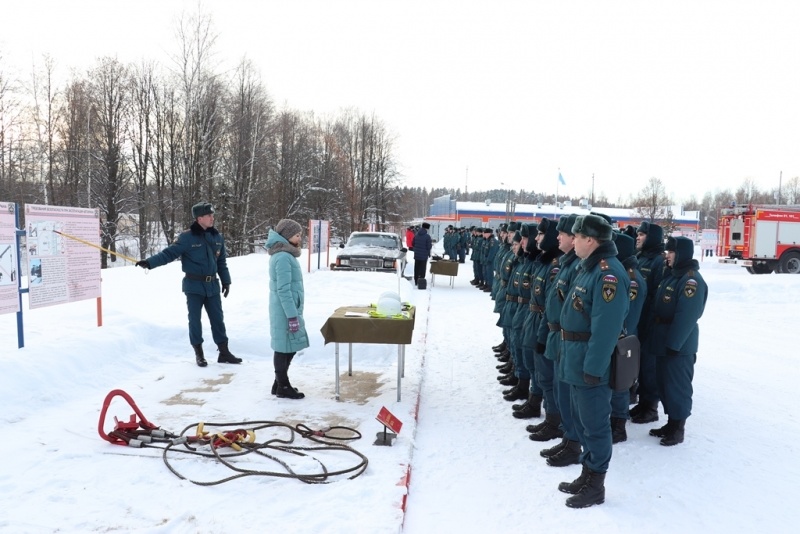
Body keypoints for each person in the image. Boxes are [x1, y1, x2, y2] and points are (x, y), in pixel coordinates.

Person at [556, 214, 629, 508]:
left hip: (590, 365)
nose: (573, 242)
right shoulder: (588, 269)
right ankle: (586, 474)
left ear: (591, 240)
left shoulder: (607, 273)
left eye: (577, 237)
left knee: (596, 427)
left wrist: (593, 369)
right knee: (583, 423)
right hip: (575, 359)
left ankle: (595, 485)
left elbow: (606, 328)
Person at [136, 201, 241, 367]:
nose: (212, 218)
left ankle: (224, 352)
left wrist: (226, 281)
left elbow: (221, 262)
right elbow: (168, 254)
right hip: (194, 286)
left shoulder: (217, 237)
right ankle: (199, 353)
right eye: (209, 215)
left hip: (212, 285)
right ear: (199, 218)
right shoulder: (187, 238)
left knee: (218, 320)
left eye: (212, 215)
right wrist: (149, 263)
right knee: (195, 320)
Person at [647, 236, 707, 445]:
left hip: (678, 346)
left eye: (671, 252)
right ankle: (671, 423)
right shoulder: (673, 276)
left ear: (681, 254)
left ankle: (678, 428)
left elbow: (686, 316)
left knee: (677, 387)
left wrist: (674, 344)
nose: (668, 256)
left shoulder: (691, 280)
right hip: (664, 341)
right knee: (664, 385)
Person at [266, 219, 310, 399]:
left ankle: (279, 383)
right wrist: (292, 316)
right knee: (284, 347)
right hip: (285, 310)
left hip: (288, 308)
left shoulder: (285, 254)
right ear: (286, 236)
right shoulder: (283, 257)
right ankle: (282, 385)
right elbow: (283, 289)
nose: (300, 238)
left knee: (288, 345)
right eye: (297, 235)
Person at [630, 221, 666, 424]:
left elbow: (658, 295)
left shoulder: (658, 262)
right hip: (638, 320)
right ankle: (642, 403)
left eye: (642, 235)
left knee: (649, 366)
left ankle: (651, 407)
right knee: (640, 365)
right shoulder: (639, 258)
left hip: (649, 322)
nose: (638, 237)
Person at [411, 222, 432, 286]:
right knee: (422, 268)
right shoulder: (427, 236)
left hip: (417, 255)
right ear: (427, 228)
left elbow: (413, 243)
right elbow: (429, 247)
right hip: (423, 255)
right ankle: (421, 280)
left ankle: (416, 280)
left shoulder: (416, 235)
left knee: (416, 268)